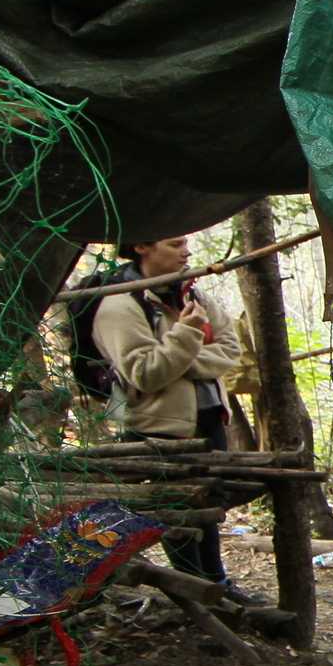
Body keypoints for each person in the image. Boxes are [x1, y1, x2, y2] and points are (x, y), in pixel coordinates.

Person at [90, 234, 250, 594]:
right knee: (178, 511)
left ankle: (216, 583)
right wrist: (189, 334)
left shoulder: (192, 294)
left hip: (208, 417)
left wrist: (180, 357)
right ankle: (194, 590)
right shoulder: (119, 306)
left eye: (186, 243)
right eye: (174, 244)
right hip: (159, 425)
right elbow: (145, 373)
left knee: (209, 503)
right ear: (142, 245)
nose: (187, 251)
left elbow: (230, 349)